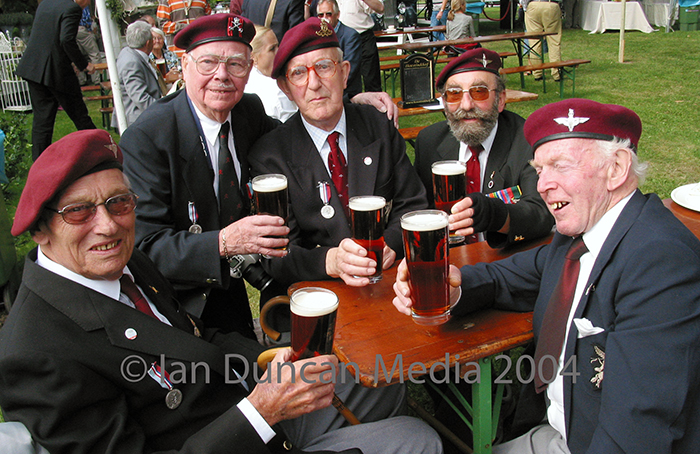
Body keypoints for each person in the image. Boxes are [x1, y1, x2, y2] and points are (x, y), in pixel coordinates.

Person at [0, 129, 443, 454]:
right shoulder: (34, 351)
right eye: (79, 212)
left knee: (380, 378)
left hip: (249, 409)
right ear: (40, 229)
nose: (108, 224)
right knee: (418, 440)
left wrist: (268, 359)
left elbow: (194, 338)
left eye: (119, 202)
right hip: (241, 432)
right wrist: (260, 412)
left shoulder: (123, 262)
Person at [393, 98, 700, 454]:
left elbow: (638, 431)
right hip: (557, 431)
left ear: (616, 168)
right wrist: (453, 290)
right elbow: (509, 277)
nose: (542, 185)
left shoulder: (659, 262)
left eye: (560, 166)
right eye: (539, 170)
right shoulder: (582, 236)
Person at [120, 13, 399, 334]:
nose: (221, 76)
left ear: (250, 70)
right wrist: (224, 242)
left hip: (228, 290)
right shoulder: (148, 137)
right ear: (184, 66)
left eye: (235, 64)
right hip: (173, 302)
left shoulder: (246, 111)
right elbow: (143, 248)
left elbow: (302, 135)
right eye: (208, 63)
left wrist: (347, 104)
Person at [249, 17, 428, 288]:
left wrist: (391, 243)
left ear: (345, 73)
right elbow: (276, 253)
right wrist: (329, 261)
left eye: (324, 67)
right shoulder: (270, 155)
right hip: (319, 296)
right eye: (298, 73)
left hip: (391, 286)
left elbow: (413, 204)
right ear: (285, 88)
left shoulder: (377, 125)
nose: (314, 83)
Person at [413, 48, 553, 248]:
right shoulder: (429, 141)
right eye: (454, 94)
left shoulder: (527, 140)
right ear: (444, 103)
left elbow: (541, 213)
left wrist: (495, 215)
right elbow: (417, 208)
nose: (467, 105)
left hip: (505, 262)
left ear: (501, 99)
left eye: (479, 92)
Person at [15, 0, 96, 160]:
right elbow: (66, 40)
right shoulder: (72, 9)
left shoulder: (47, 3)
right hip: (56, 71)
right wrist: (84, 64)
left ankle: (39, 162)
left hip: (34, 67)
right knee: (80, 115)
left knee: (42, 121)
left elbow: (49, 37)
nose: (87, 5)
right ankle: (100, 149)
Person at [114, 21, 165, 129]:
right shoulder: (131, 62)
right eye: (152, 39)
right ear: (148, 43)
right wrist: (165, 110)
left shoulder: (129, 52)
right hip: (138, 121)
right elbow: (141, 98)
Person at [245, 25, 298, 122]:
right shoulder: (278, 90)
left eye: (278, 46)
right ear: (253, 57)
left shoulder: (242, 83)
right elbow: (293, 130)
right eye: (272, 49)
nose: (278, 52)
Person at [317, 0, 362, 98]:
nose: (324, 18)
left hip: (347, 95)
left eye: (328, 14)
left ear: (337, 15)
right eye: (320, 15)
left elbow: (350, 70)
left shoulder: (350, 36)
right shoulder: (317, 36)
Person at [337, 0, 382, 92]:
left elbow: (380, 8)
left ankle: (374, 105)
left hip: (363, 38)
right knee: (346, 79)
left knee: (371, 81)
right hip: (342, 38)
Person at [522, 0, 562, 81]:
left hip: (533, 5)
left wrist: (525, 7)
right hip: (551, 5)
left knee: (534, 41)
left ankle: (537, 73)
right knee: (554, 41)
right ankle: (556, 73)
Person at [240, 0, 305, 43]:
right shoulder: (294, 1)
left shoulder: (248, 1)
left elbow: (244, 27)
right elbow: (297, 37)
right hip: (277, 56)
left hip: (253, 54)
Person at [76, 2, 104, 86]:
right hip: (82, 29)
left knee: (78, 54)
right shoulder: (82, 3)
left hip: (73, 30)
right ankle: (97, 80)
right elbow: (85, 17)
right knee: (94, 54)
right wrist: (89, 28)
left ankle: (81, 81)